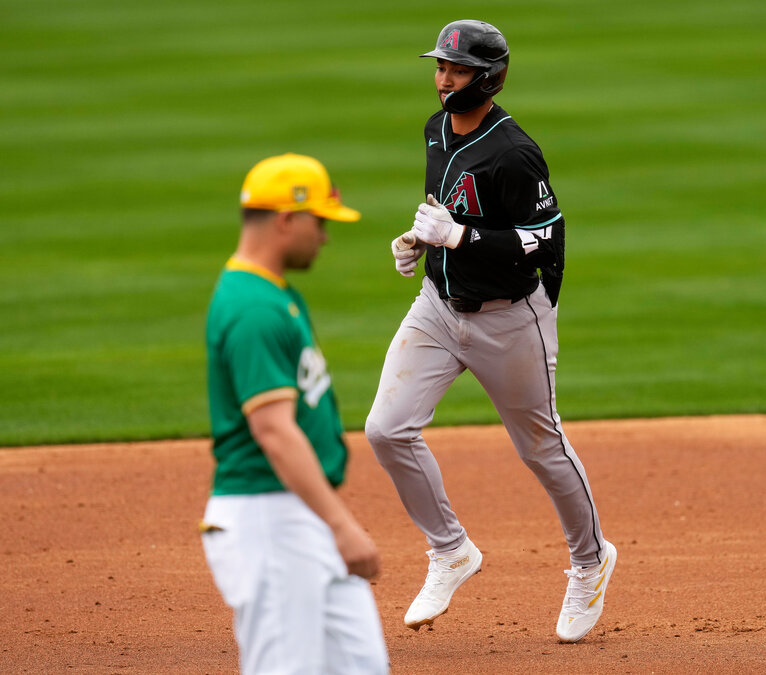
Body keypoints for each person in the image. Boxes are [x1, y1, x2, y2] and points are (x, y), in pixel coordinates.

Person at [364, 20, 616, 643]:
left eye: (455, 70)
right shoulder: (434, 130)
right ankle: (450, 550)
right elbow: (445, 211)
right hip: (438, 308)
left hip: (509, 319)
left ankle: (590, 561)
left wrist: (464, 239)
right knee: (386, 429)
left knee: (540, 447)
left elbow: (546, 238)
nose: (442, 79)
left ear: (488, 77)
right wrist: (419, 241)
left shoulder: (513, 152)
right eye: (440, 67)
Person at [201, 153, 389, 674]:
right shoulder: (254, 309)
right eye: (320, 223)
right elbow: (274, 432)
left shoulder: (275, 296)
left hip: (299, 516)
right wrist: (342, 524)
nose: (325, 237)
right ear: (287, 219)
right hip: (268, 518)